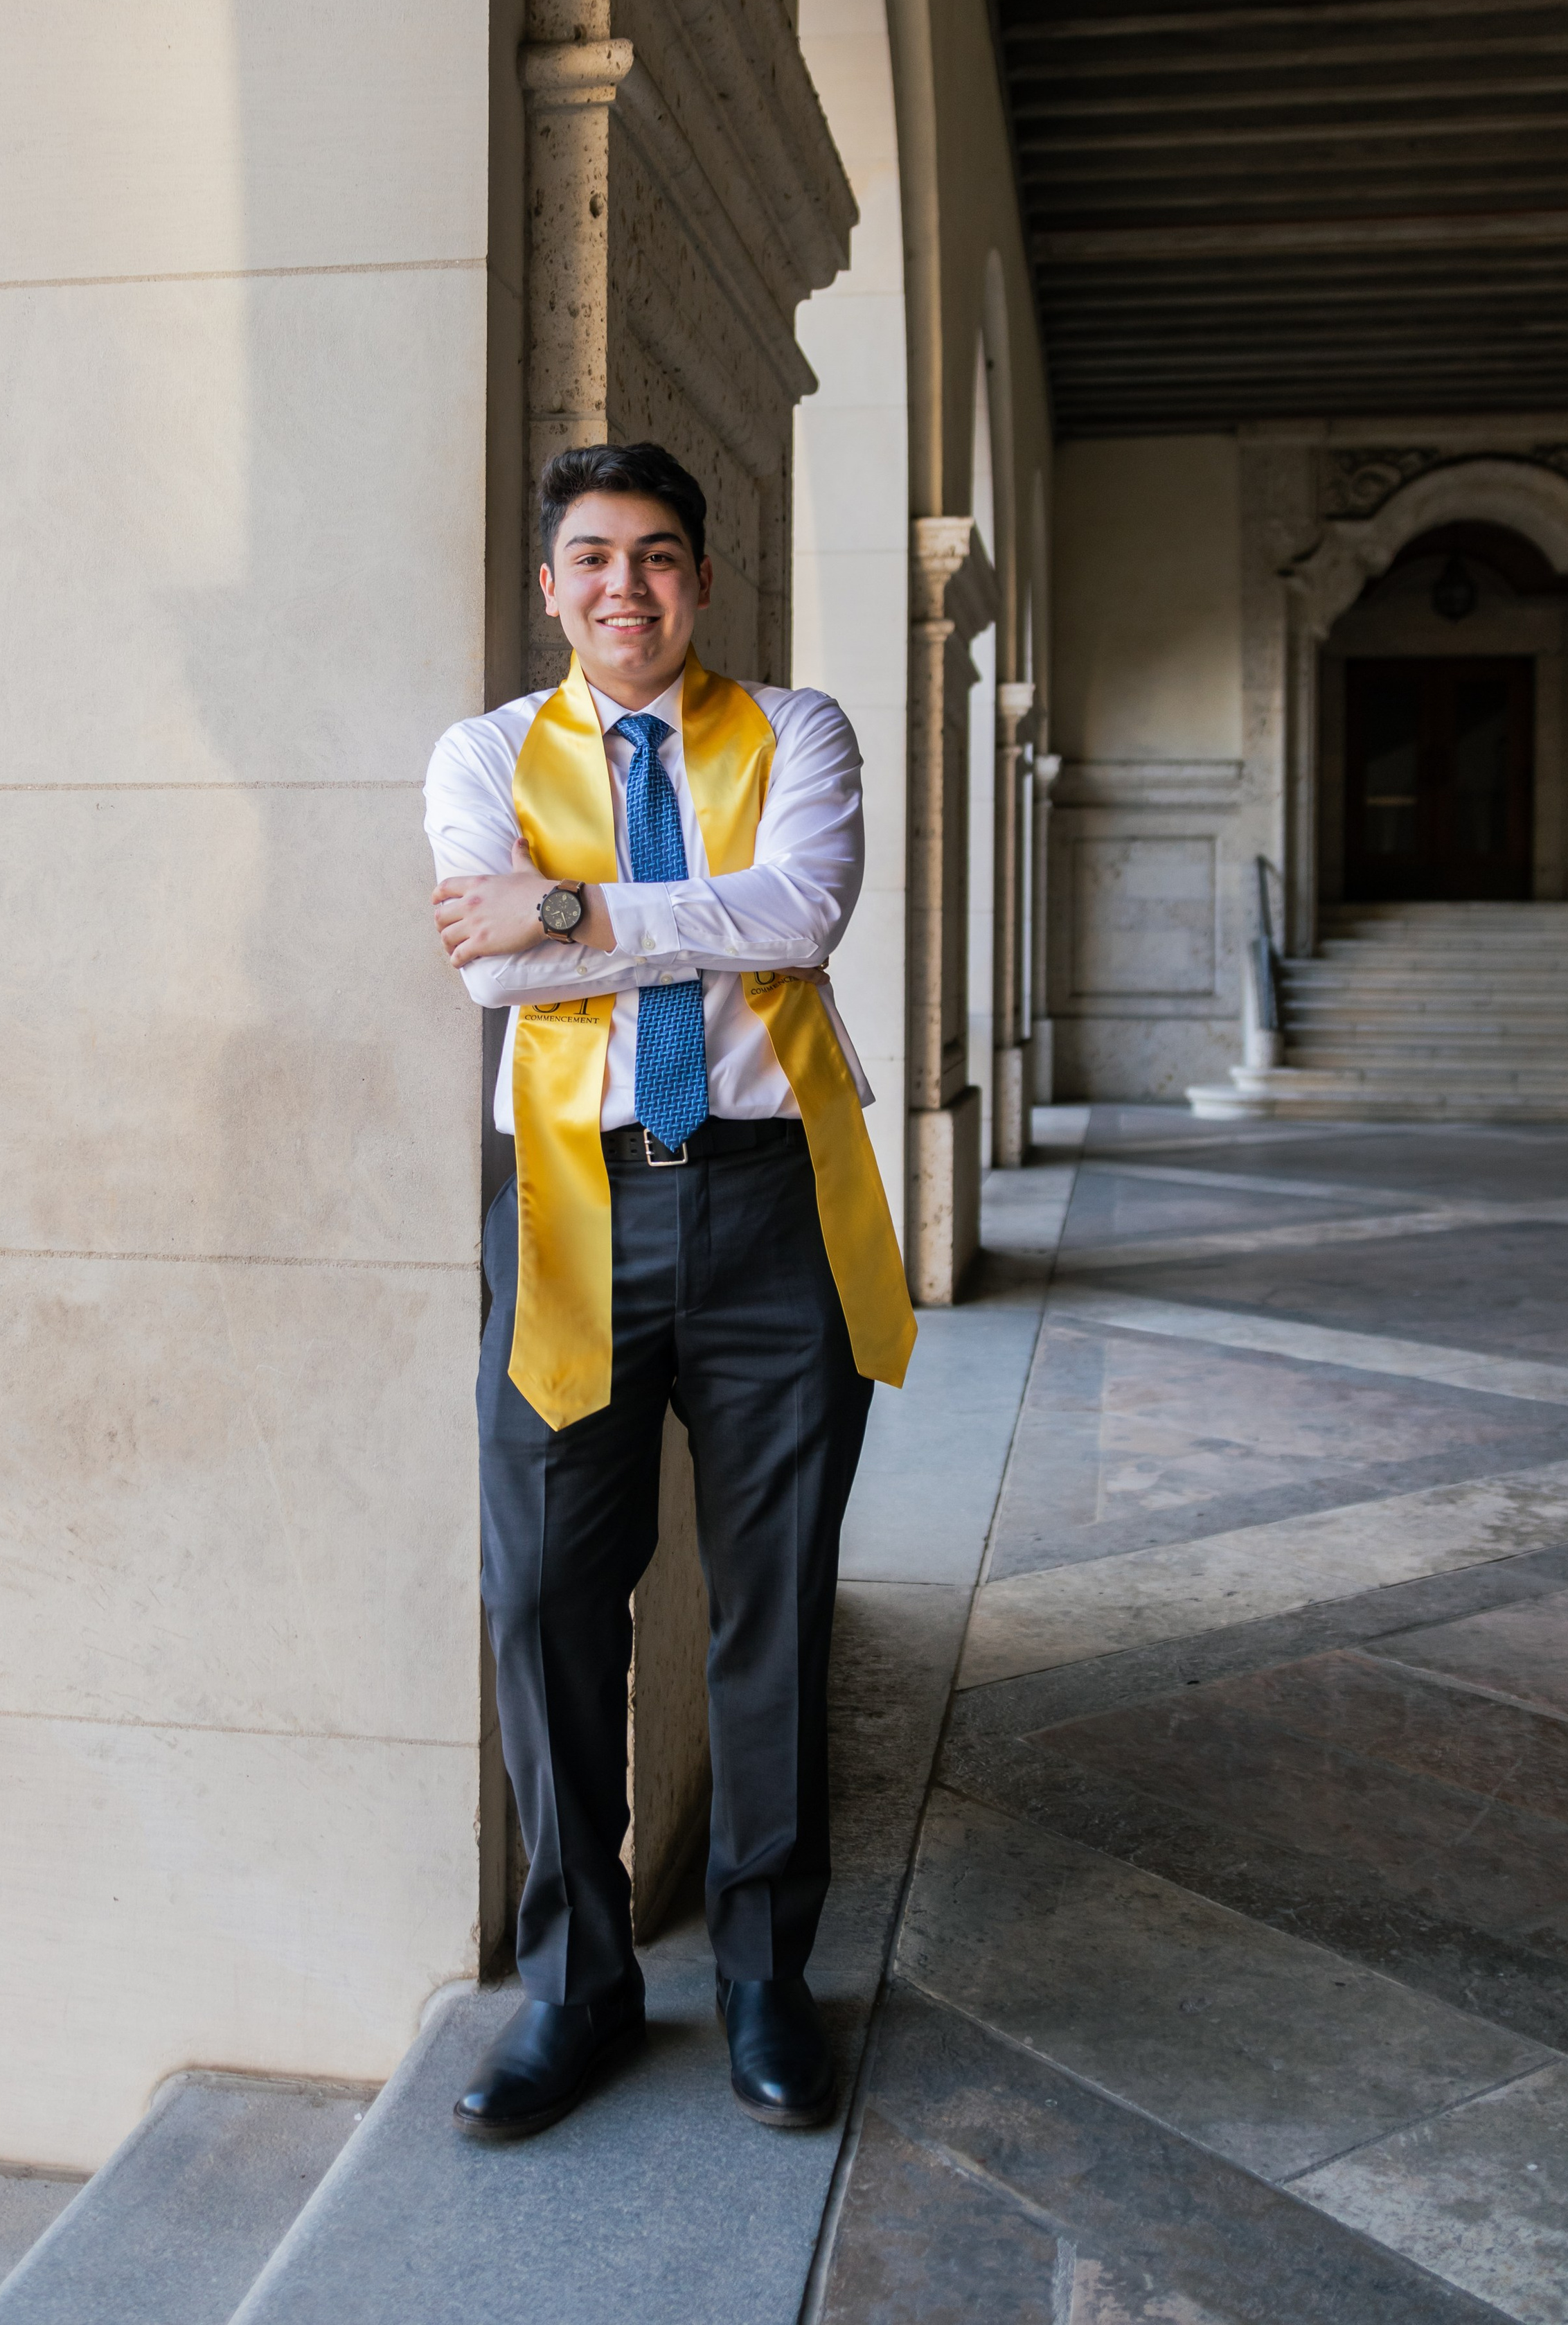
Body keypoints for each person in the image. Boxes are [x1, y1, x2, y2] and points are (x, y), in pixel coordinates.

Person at [425, 440, 914, 2140]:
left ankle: (769, 1970)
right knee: (545, 1591)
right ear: (548, 586)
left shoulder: (799, 730)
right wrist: (632, 923)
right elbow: (485, 962)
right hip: (572, 1212)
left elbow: (803, 913)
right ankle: (575, 1987)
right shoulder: (482, 750)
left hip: (778, 1211)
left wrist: (568, 902)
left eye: (654, 555)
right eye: (589, 557)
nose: (621, 585)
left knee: (772, 1594)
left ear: (698, 580)